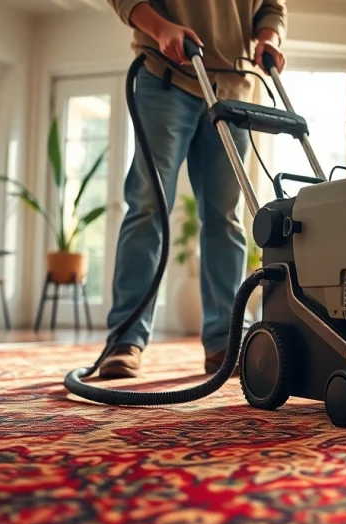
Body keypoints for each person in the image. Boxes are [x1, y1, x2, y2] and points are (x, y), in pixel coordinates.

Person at [100, 0, 287, 378]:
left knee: (226, 217)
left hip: (234, 85)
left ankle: (225, 342)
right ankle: (125, 339)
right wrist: (161, 28)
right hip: (167, 72)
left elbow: (272, 6)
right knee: (148, 205)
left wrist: (269, 37)